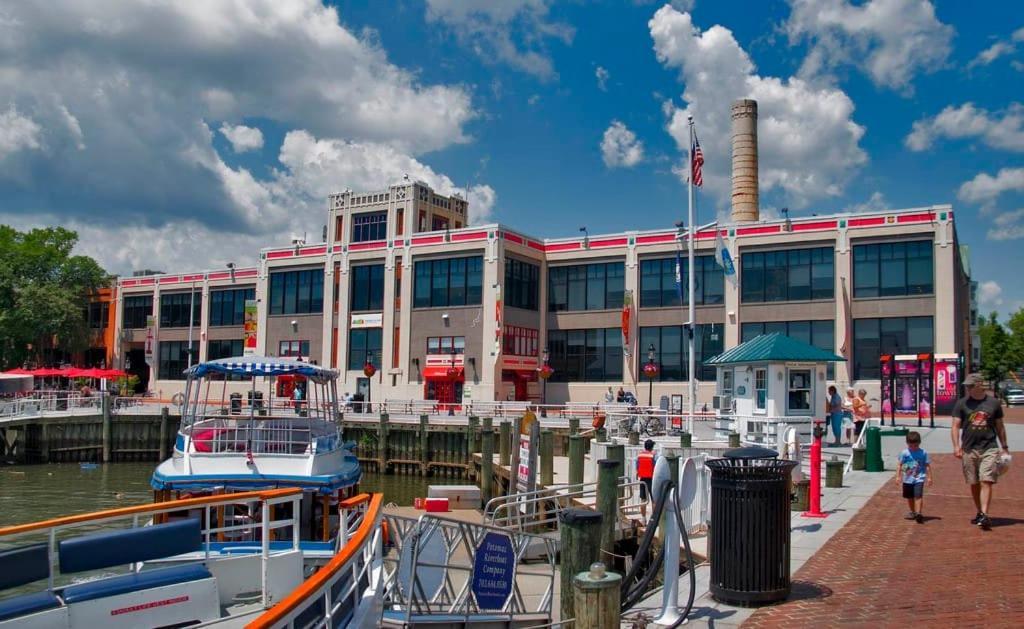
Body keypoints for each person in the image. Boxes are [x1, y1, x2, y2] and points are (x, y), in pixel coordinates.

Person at [951, 374, 1010, 530]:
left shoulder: (993, 403)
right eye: (967, 386)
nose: (968, 388)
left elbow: (1000, 426)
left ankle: (984, 514)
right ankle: (979, 511)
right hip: (969, 448)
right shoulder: (962, 404)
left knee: (986, 480)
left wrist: (1004, 446)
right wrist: (956, 446)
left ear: (979, 384)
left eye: (970, 386)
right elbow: (955, 426)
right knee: (974, 482)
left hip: (989, 446)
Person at [896, 431, 932, 523]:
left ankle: (918, 513)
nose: (913, 448)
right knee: (910, 497)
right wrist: (898, 476)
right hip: (907, 479)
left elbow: (927, 465)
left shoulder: (923, 453)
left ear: (919, 443)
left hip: (919, 478)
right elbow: (899, 465)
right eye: (911, 446)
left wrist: (929, 477)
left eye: (915, 445)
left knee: (918, 495)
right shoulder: (904, 453)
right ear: (907, 444)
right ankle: (913, 511)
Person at [636, 439, 657, 518]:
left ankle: (643, 519)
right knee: (654, 500)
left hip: (642, 480)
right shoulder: (653, 456)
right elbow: (656, 467)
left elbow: (637, 467)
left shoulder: (640, 456)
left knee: (643, 500)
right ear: (651, 447)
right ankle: (654, 519)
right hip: (651, 480)